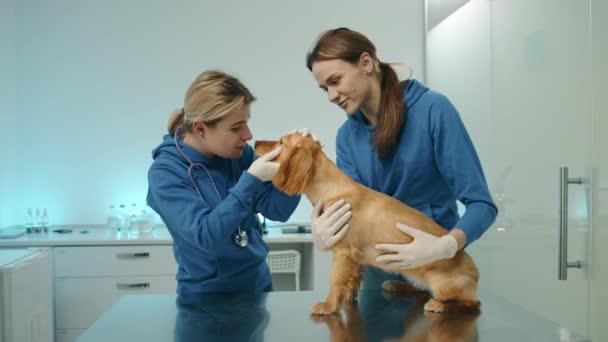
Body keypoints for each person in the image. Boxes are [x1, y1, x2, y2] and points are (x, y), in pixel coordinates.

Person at [305, 28, 497, 288]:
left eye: (335, 81)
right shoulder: (346, 137)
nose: (331, 96)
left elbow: (481, 204)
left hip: (436, 275)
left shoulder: (433, 110)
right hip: (378, 281)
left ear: (366, 63)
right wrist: (323, 230)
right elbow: (354, 215)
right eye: (323, 88)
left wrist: (446, 245)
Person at [146, 70, 302, 294]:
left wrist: (295, 167)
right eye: (236, 127)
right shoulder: (166, 172)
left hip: (258, 288)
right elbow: (205, 236)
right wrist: (250, 180)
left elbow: (277, 210)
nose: (248, 135)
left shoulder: (238, 155)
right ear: (200, 128)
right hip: (206, 301)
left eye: (246, 123)